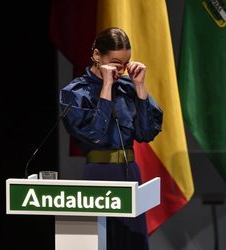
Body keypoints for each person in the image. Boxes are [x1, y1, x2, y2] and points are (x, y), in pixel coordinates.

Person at [59, 27, 163, 250]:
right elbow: (95, 136)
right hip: (100, 172)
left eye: (126, 63)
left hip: (129, 172)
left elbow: (146, 133)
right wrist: (106, 86)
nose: (122, 69)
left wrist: (140, 86)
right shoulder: (75, 92)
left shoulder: (128, 88)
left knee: (133, 242)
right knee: (101, 241)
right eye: (116, 62)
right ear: (97, 55)